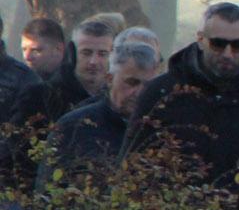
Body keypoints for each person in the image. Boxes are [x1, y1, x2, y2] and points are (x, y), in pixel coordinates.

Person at [121, 2, 239, 186]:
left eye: (238, 45)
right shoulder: (162, 93)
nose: (228, 54)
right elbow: (130, 165)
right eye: (218, 44)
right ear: (200, 39)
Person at [1, 16, 111, 199]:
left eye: (102, 54)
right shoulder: (39, 96)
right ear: (73, 53)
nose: (93, 61)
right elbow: (14, 153)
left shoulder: (118, 103)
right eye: (86, 52)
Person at [34, 39, 162, 194]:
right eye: (131, 82)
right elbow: (47, 191)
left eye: (148, 86)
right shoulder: (76, 126)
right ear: (109, 79)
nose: (140, 93)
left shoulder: (163, 130)